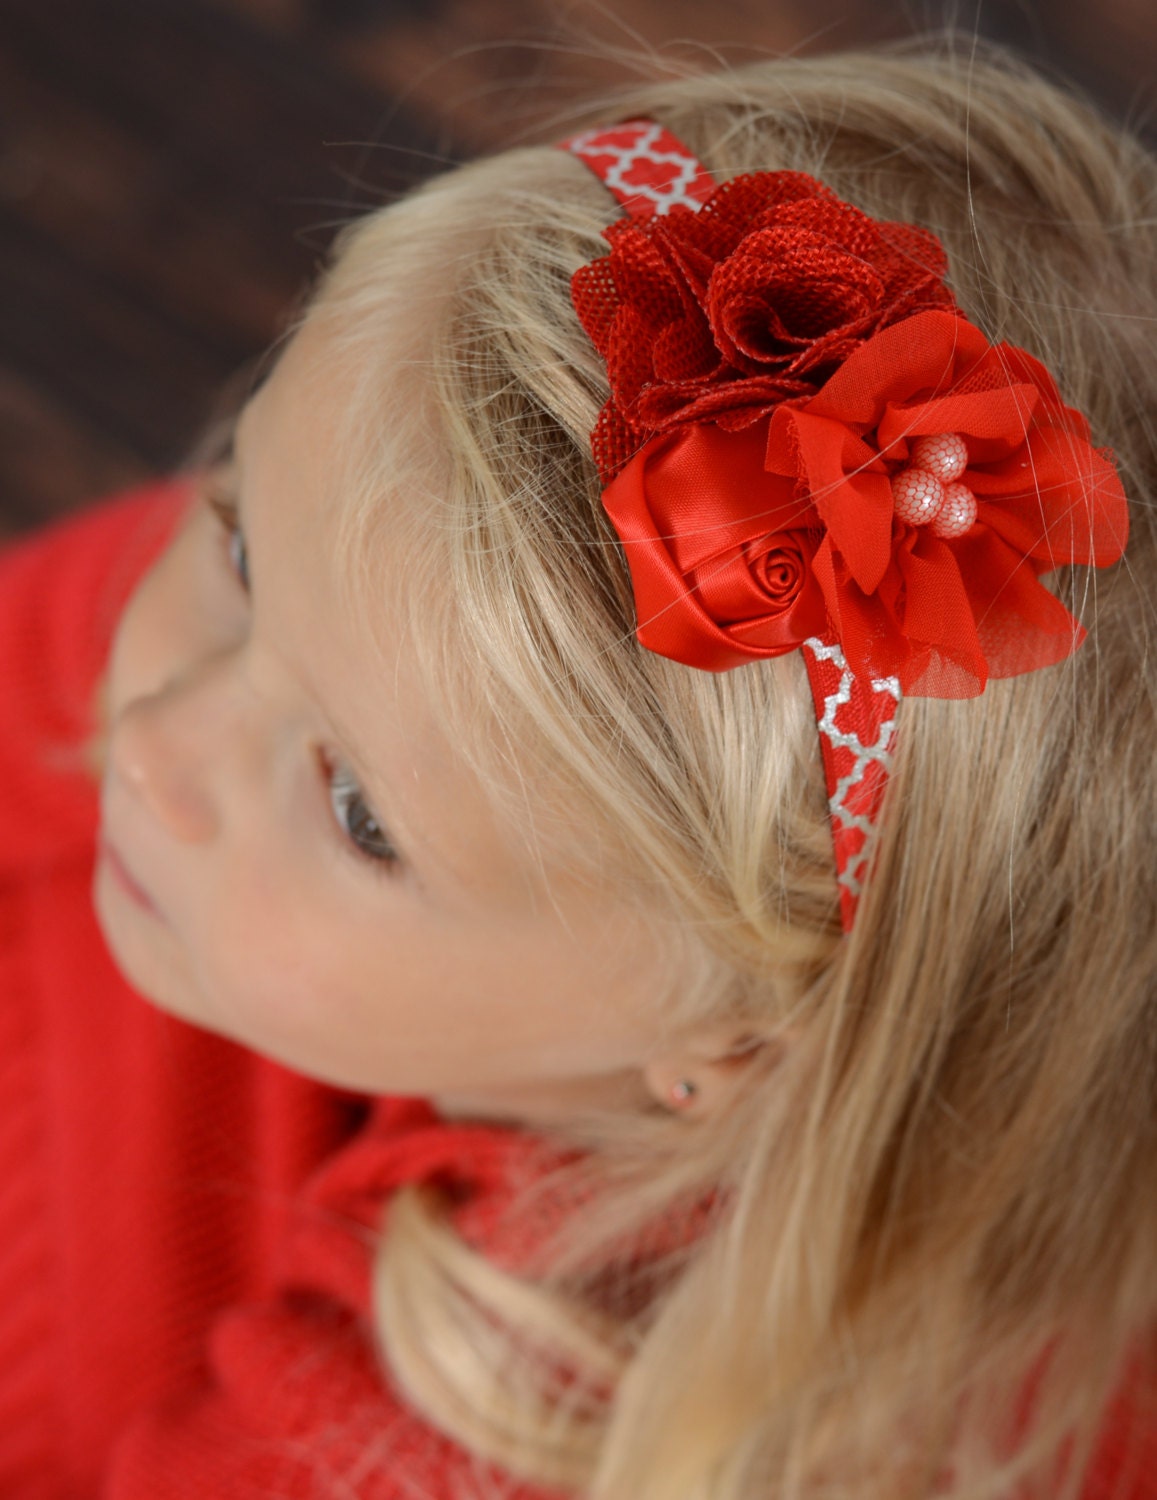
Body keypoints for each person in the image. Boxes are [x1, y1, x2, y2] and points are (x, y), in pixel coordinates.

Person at [0, 36, 1154, 1500]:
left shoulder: (520, 1430)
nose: (161, 742)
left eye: (360, 813)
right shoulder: (366, 580)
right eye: (234, 542)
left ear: (727, 1054)